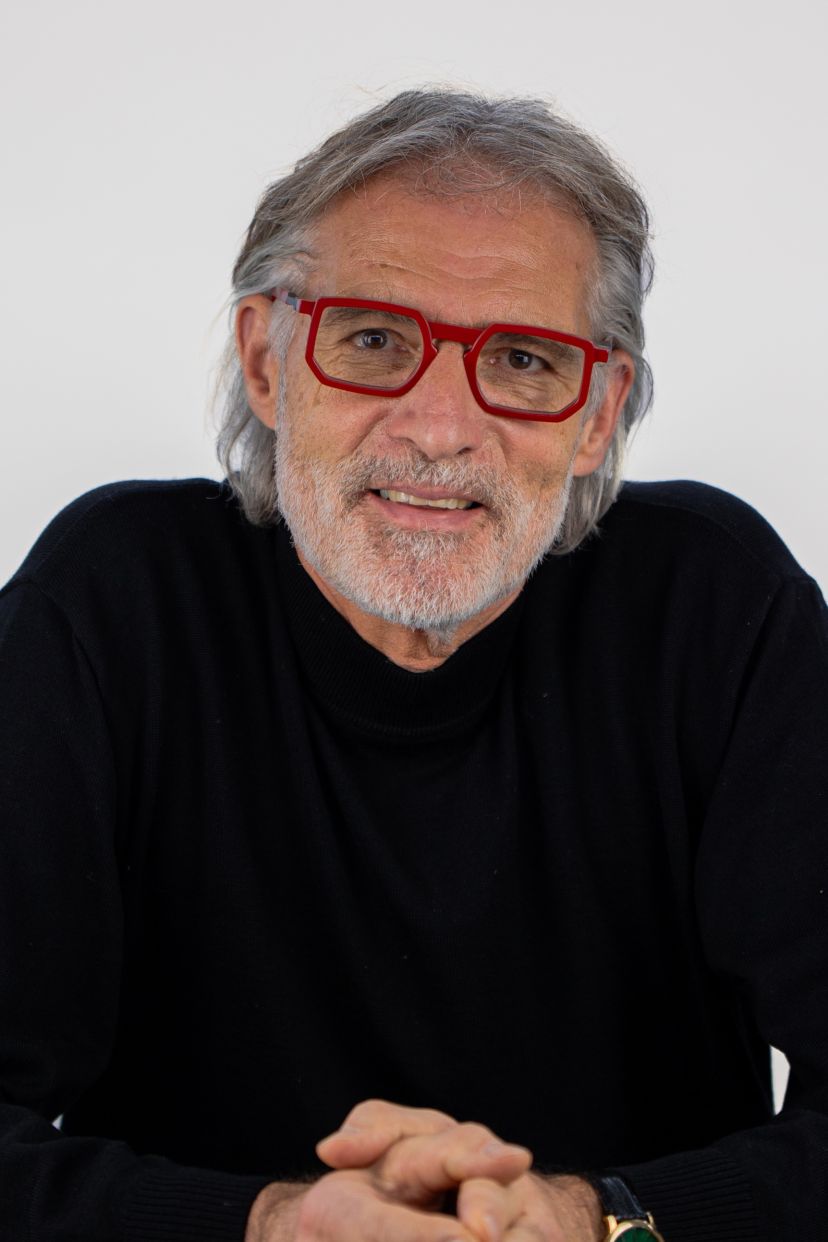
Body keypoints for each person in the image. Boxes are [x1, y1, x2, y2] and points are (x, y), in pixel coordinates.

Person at [0, 89, 825, 1242]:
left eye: (523, 359)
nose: (438, 428)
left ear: (597, 414)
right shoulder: (111, 608)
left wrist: (590, 1223)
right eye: (374, 341)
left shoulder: (719, 613)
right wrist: (268, 1228)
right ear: (266, 361)